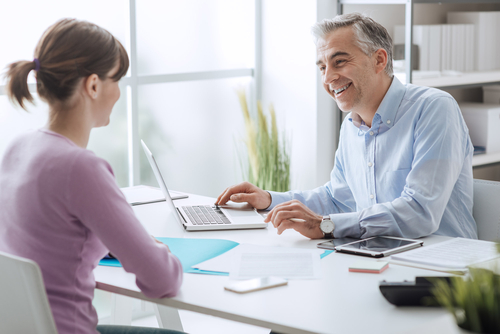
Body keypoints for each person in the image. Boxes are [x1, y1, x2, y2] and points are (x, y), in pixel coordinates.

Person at [216, 13, 477, 241]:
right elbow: (337, 198)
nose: (328, 78)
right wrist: (270, 200)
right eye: (322, 67)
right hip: (383, 258)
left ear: (379, 60)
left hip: (447, 272)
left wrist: (327, 226)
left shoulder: (433, 109)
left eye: (339, 61)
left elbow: (420, 212)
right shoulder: (351, 126)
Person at [0, 19, 185, 334]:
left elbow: (48, 237)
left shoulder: (18, 147)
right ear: (94, 85)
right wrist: (158, 251)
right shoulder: (80, 167)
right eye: (117, 80)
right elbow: (161, 281)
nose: (119, 93)